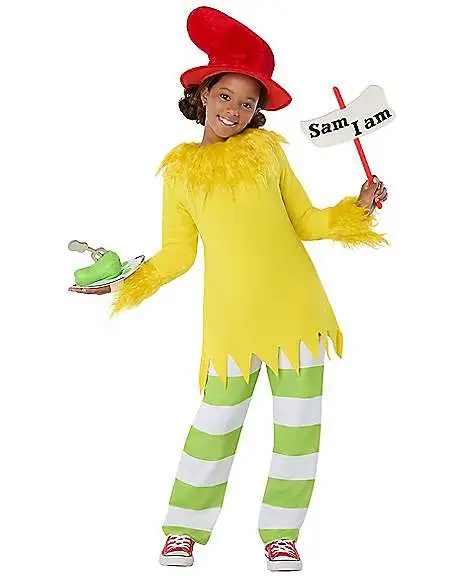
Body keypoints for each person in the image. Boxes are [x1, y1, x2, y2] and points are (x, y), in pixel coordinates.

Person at [70, 6, 389, 572]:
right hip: (232, 323)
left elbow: (307, 222)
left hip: (297, 312)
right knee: (214, 424)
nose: (235, 110)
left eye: (247, 102)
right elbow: (178, 254)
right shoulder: (180, 173)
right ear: (203, 94)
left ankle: (281, 534)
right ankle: (184, 529)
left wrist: (358, 207)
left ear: (257, 110)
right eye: (226, 96)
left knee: (298, 433)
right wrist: (128, 281)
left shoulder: (268, 153)